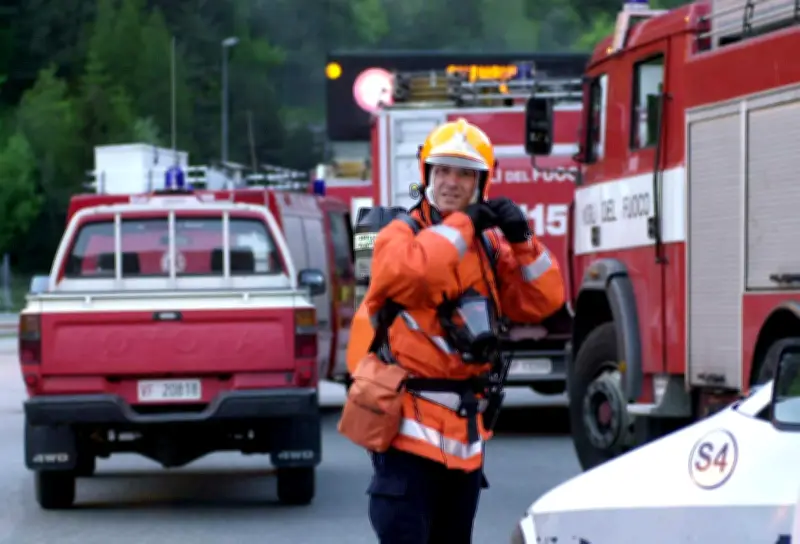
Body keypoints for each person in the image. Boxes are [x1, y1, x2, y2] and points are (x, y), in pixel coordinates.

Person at [352, 118, 565, 543]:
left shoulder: (490, 246)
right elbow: (414, 274)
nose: (451, 181)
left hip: (465, 440)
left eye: (464, 173)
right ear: (426, 175)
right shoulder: (400, 232)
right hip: (406, 430)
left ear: (481, 181)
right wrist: (465, 223)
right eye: (443, 170)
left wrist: (523, 241)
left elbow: (543, 300)